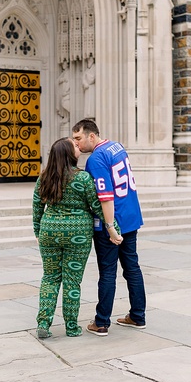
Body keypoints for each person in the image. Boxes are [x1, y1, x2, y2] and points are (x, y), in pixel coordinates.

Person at [32, 138, 121, 339]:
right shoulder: (83, 179)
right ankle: (71, 327)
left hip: (50, 231)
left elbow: (37, 207)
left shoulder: (43, 178)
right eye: (74, 145)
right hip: (77, 235)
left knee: (50, 277)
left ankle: (44, 323)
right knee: (72, 281)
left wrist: (38, 231)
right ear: (68, 154)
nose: (78, 147)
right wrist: (113, 228)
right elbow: (97, 206)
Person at [71, 119, 146, 336]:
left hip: (113, 221)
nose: (76, 144)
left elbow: (105, 197)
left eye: (79, 138)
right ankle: (138, 315)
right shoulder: (117, 146)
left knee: (107, 272)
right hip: (131, 215)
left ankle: (102, 322)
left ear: (91, 136)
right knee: (132, 268)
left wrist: (110, 226)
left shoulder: (95, 159)